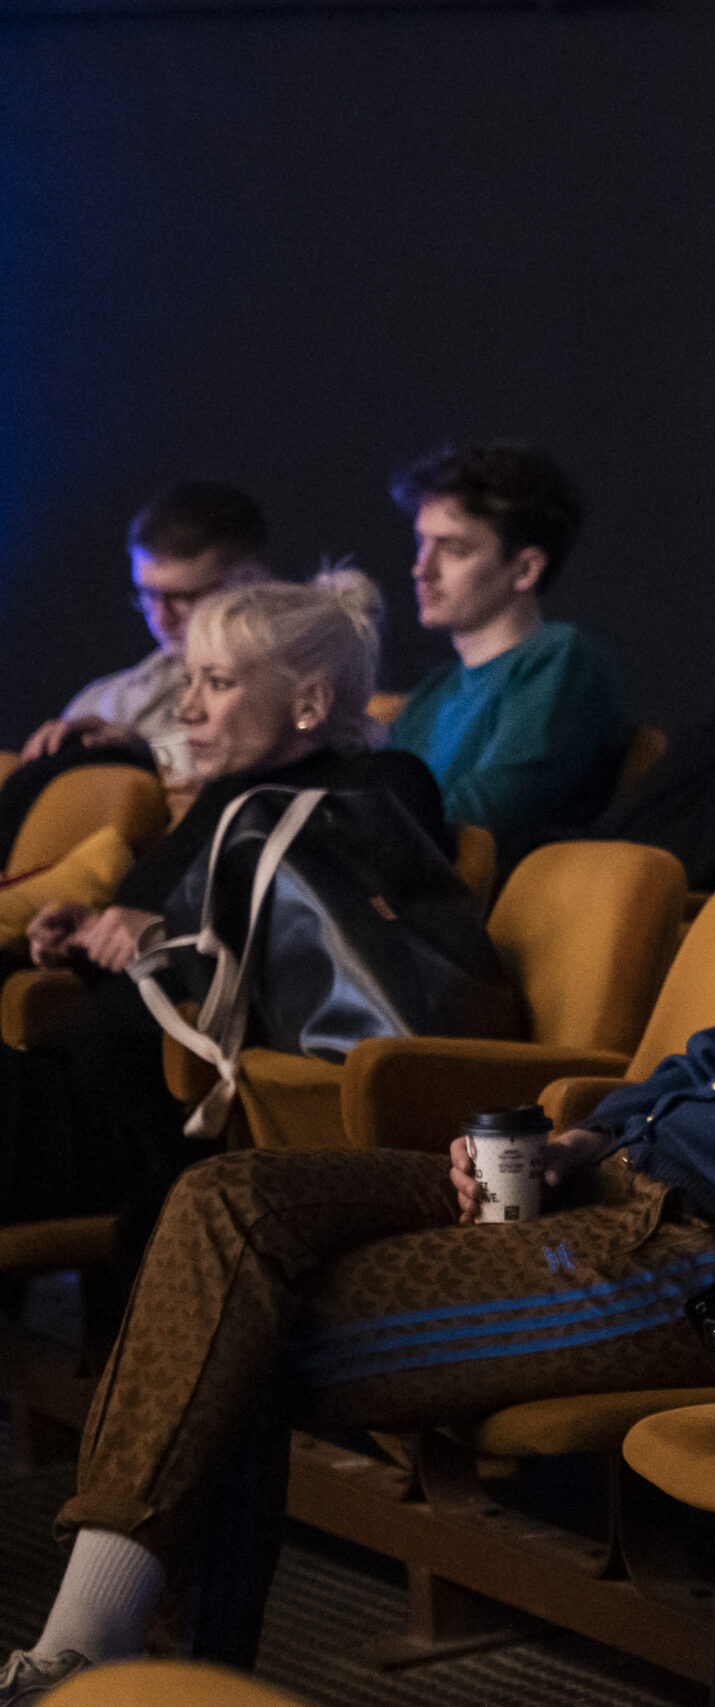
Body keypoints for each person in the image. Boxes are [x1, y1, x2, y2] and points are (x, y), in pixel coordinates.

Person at [0, 610, 715, 1698]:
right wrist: (584, 1134)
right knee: (226, 1199)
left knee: (230, 1343)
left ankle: (115, 1664)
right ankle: (103, 1651)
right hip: (609, 1182)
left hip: (714, 1249)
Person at [4, 573, 442, 1240]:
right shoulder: (224, 794)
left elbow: (323, 957)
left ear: (309, 702)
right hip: (82, 1080)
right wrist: (87, 933)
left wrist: (167, 933)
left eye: (217, 682)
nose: (186, 710)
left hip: (171, 1121)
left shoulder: (380, 788)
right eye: (190, 681)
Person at [382, 442, 630, 868]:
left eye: (454, 550)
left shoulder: (560, 660)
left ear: (525, 569)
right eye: (422, 543)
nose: (422, 569)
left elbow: (488, 819)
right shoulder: (432, 693)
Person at [7, 483, 270, 843]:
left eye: (185, 597)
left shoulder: (290, 691)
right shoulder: (104, 701)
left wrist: (146, 755)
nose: (161, 619)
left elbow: (252, 810)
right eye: (148, 594)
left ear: (251, 583)